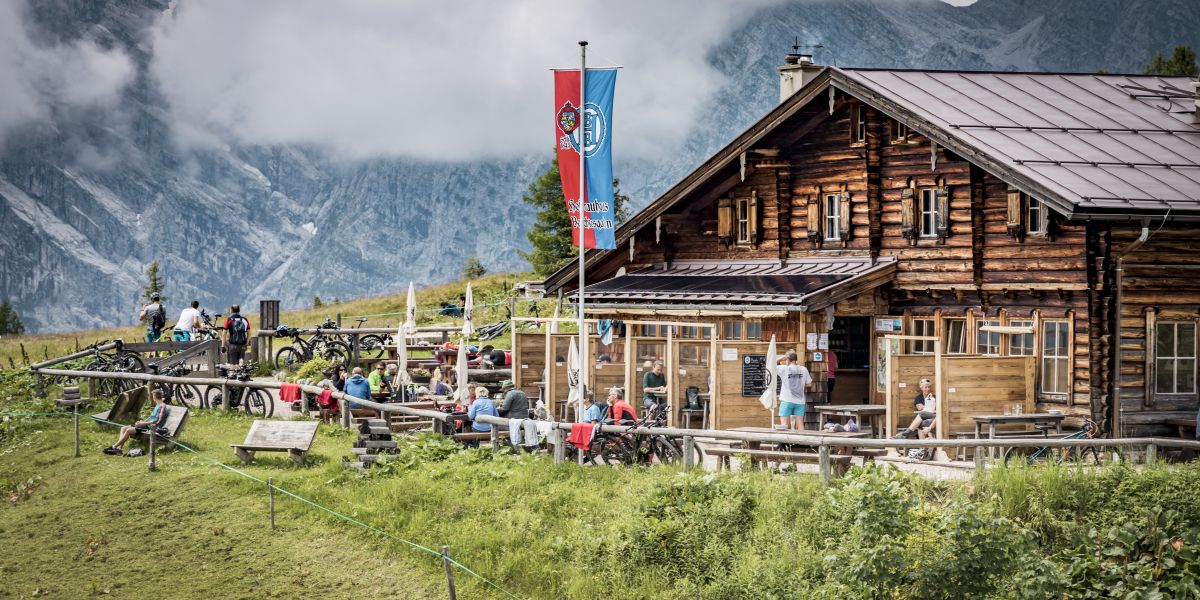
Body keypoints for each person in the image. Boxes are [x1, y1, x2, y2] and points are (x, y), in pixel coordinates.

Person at [103, 390, 169, 455]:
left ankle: (114, 446)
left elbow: (157, 421)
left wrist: (143, 423)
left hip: (151, 428)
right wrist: (142, 421)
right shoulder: (158, 405)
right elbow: (152, 418)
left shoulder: (162, 406)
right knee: (123, 428)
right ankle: (119, 449)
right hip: (146, 425)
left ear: (154, 397)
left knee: (128, 430)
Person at [776, 350, 813, 431]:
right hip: (800, 401)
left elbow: (771, 365)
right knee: (800, 424)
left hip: (787, 400)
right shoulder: (803, 369)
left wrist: (780, 358)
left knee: (784, 425)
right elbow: (809, 384)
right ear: (796, 359)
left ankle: (784, 443)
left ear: (787, 360)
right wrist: (799, 383)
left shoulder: (784, 369)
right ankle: (802, 443)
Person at [498, 380, 533, 451]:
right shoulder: (522, 393)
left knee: (498, 427)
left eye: (504, 390)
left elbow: (505, 408)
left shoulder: (510, 394)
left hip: (513, 418)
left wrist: (498, 410)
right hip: (524, 418)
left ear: (506, 388)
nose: (503, 392)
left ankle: (511, 448)